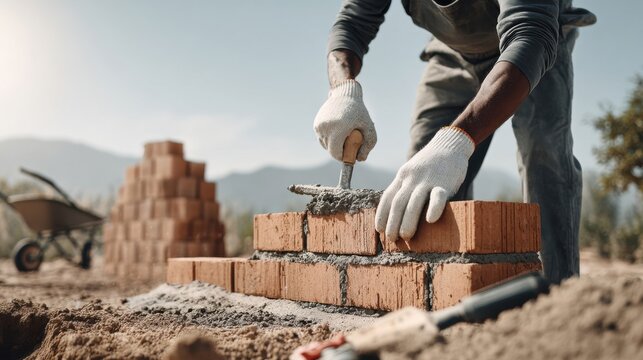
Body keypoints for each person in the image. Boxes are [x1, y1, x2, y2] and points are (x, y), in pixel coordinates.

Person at [313, 0, 595, 284]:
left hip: (532, 44)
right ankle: (444, 290)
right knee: (422, 184)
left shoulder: (531, 35)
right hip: (451, 54)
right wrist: (342, 90)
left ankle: (559, 292)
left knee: (543, 152)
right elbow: (351, 24)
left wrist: (457, 140)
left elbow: (530, 34)